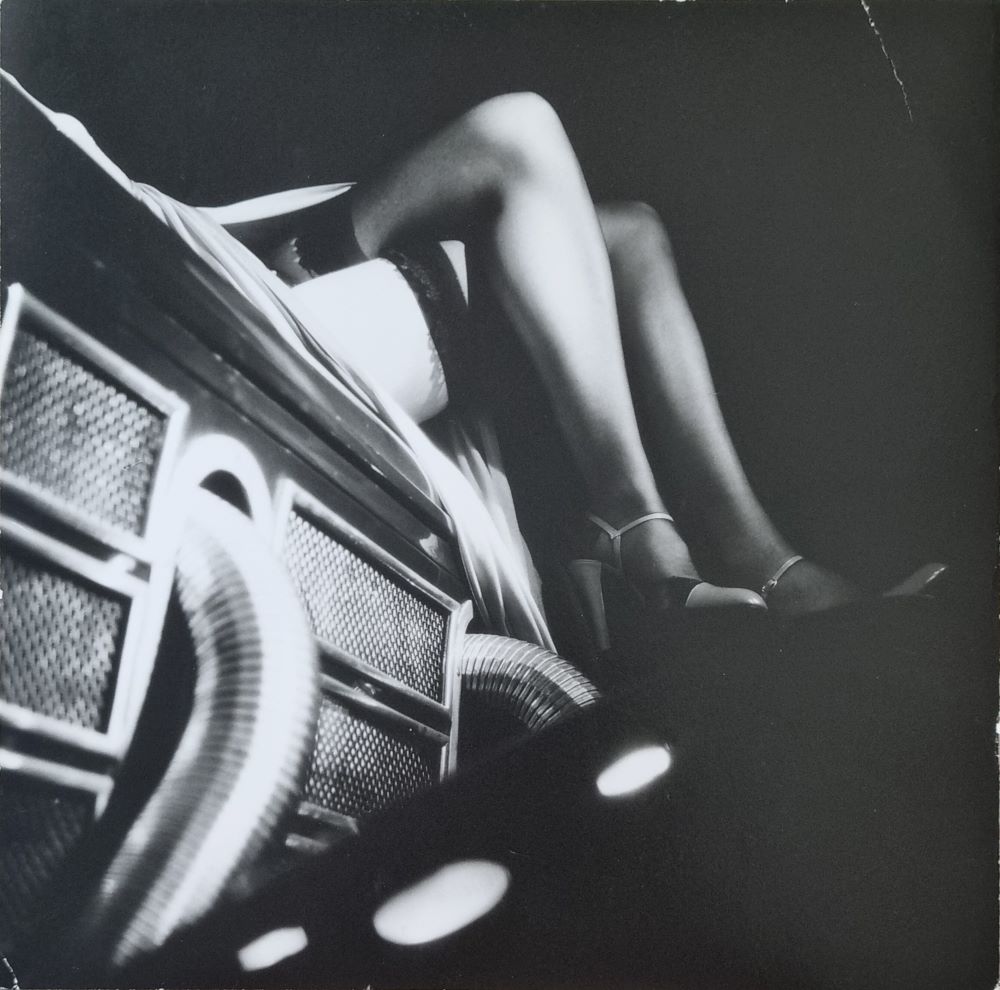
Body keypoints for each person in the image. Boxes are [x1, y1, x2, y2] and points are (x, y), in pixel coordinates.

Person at [214, 92, 944, 647]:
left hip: (342, 244)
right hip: (263, 286)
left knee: (633, 236)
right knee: (520, 128)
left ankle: (761, 558)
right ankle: (633, 524)